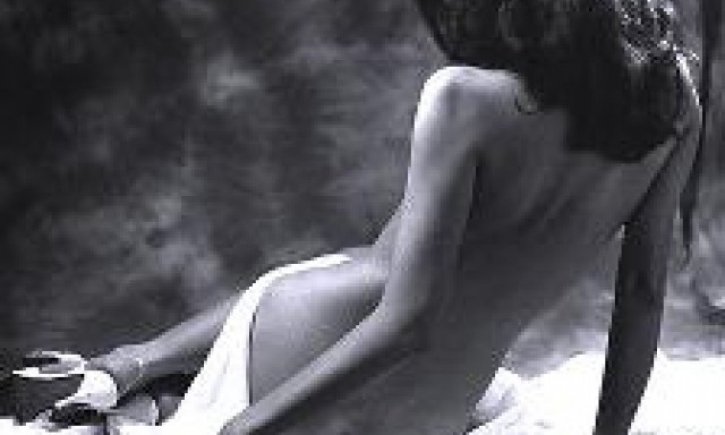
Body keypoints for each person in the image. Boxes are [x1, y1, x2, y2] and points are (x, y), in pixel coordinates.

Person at [55, 0, 701, 433]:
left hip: (303, 357)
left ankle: (138, 371)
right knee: (365, 263)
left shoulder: (465, 98)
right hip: (431, 401)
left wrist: (246, 429)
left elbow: (407, 320)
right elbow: (643, 294)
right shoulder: (673, 103)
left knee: (363, 266)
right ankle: (136, 367)